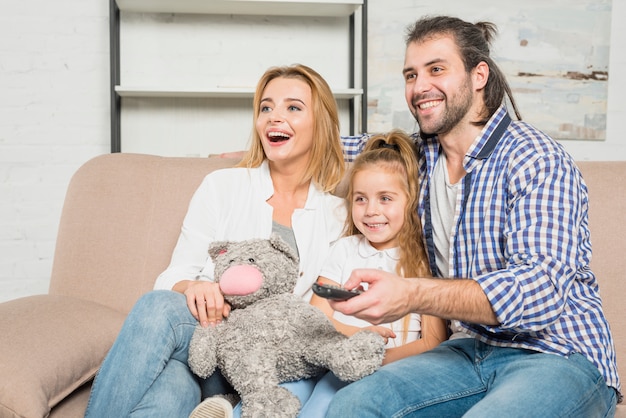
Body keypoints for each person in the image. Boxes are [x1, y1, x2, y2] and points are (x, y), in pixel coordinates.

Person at [327, 15, 621, 417]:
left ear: (478, 75)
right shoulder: (416, 156)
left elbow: (540, 291)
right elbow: (324, 150)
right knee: (352, 406)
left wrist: (411, 292)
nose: (419, 87)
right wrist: (254, 157)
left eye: (436, 69)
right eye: (410, 74)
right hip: (463, 353)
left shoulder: (536, 158)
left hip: (555, 355)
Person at [84, 63, 348, 418]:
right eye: (265, 107)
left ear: (321, 124)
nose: (274, 117)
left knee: (174, 388)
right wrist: (193, 285)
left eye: (293, 108)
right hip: (208, 340)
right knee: (165, 340)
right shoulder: (222, 186)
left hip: (271, 367)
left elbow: (324, 313)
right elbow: (171, 275)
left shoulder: (339, 215)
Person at [298, 129, 448, 417]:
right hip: (337, 362)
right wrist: (357, 341)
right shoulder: (344, 249)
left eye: (385, 198)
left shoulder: (421, 261)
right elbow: (316, 319)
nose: (370, 211)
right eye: (361, 199)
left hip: (392, 369)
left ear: (410, 200)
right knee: (316, 398)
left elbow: (432, 341)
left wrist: (376, 359)